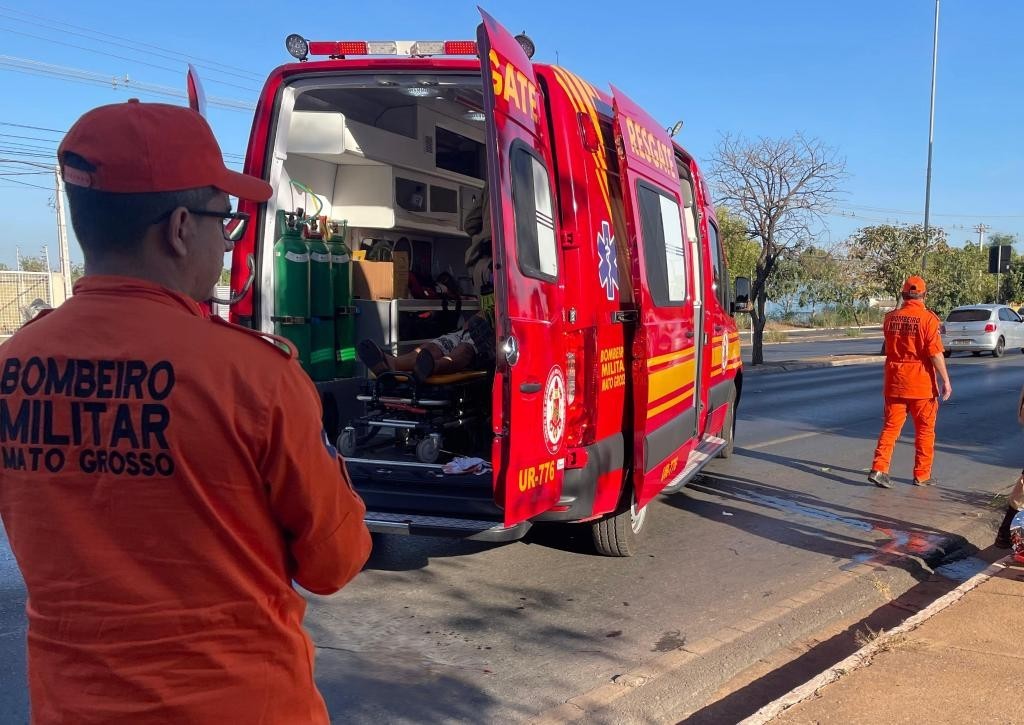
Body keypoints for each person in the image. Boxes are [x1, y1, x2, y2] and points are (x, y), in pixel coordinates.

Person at [0, 100, 371, 723]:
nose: (226, 245)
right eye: (223, 223)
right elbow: (336, 563)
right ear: (178, 228)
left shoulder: (12, 368)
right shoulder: (256, 376)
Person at [357, 184, 495, 381]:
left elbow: (470, 223)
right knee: (438, 345)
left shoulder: (491, 184)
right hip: (483, 328)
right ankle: (395, 363)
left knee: (462, 350)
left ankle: (429, 366)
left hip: (485, 337)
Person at [868, 275, 952, 488]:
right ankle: (922, 475)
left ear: (903, 294)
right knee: (924, 430)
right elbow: (934, 354)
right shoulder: (928, 320)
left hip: (895, 380)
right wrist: (946, 380)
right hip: (920, 384)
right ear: (924, 295)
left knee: (890, 428)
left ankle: (879, 468)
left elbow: (889, 346)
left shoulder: (890, 318)